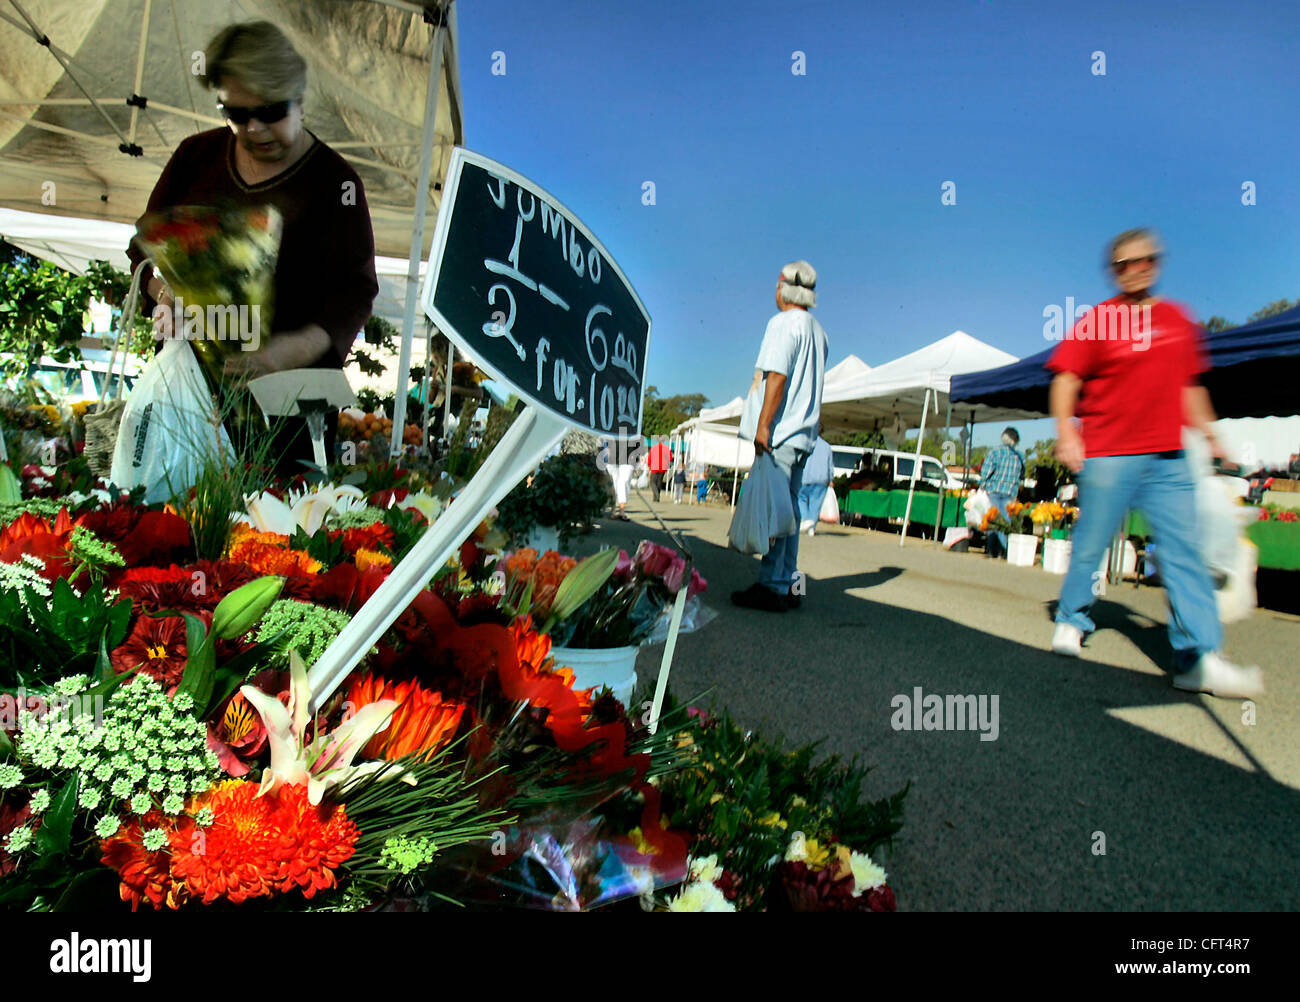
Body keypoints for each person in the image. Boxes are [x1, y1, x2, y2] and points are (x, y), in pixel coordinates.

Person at [128, 20, 378, 471]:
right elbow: (143, 252)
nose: (255, 128)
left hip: (290, 417)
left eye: (271, 112)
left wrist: (285, 353)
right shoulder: (194, 158)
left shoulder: (336, 184)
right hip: (188, 399)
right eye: (237, 114)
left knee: (271, 533)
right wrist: (162, 293)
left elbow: (354, 295)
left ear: (300, 100)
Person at [1047, 227, 1262, 697]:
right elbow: (1066, 378)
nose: (1134, 269)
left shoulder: (1179, 320)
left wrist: (1210, 431)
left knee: (1184, 553)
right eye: (1123, 263)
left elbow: (1190, 387)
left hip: (1170, 457)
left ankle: (1198, 658)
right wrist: (1066, 429)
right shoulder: (1098, 320)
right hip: (1108, 452)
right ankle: (1071, 618)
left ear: (1156, 264)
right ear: (1113, 271)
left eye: (1143, 260)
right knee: (1091, 542)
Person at [731, 261, 829, 613]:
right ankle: (787, 582)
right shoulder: (818, 331)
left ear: (784, 288)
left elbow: (778, 375)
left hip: (781, 433)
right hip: (804, 436)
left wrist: (763, 425)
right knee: (789, 514)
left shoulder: (784, 324)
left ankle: (771, 586)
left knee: (774, 511)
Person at [980, 428, 1025, 559]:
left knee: (992, 520)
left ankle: (990, 551)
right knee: (1005, 523)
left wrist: (983, 486)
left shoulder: (995, 452)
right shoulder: (1020, 456)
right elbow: (1022, 475)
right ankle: (1003, 551)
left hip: (993, 490)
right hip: (1010, 492)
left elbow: (986, 472)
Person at [798, 429, 835, 535]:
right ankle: (812, 527)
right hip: (821, 479)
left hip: (804, 477)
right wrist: (830, 478)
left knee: (801, 499)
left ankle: (805, 520)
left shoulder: (805, 442)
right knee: (816, 503)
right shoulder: (826, 446)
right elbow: (830, 465)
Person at [647, 437, 671, 503]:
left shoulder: (654, 448)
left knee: (652, 482)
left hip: (655, 466)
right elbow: (670, 458)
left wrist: (649, 465)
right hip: (663, 467)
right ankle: (656, 498)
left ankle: (656, 495)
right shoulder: (666, 449)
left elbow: (650, 457)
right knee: (659, 482)